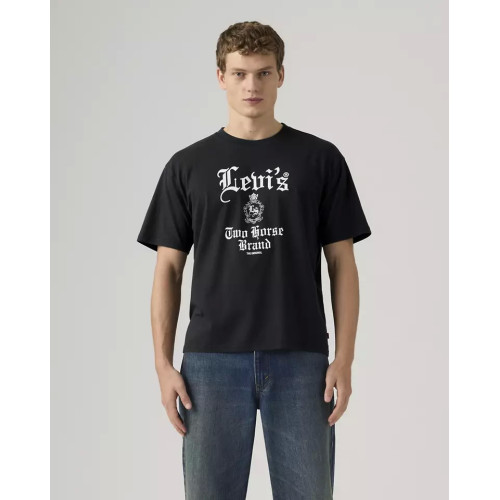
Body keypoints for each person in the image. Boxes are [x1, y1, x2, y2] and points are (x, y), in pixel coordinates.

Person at [137, 20, 372, 500]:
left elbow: (342, 264)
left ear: (281, 75)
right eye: (240, 73)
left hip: (301, 359)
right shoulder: (188, 166)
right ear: (220, 77)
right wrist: (163, 365)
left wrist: (344, 358)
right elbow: (168, 269)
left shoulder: (320, 159)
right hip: (210, 364)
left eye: (264, 73)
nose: (252, 86)